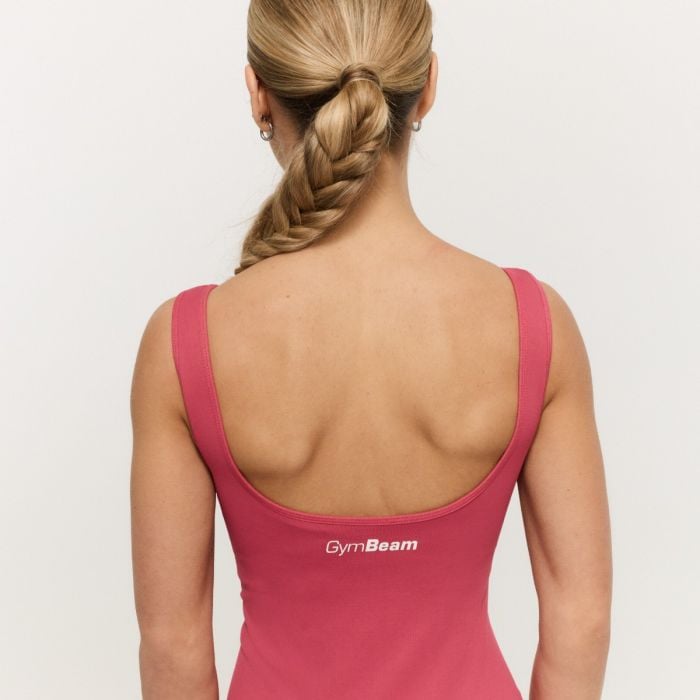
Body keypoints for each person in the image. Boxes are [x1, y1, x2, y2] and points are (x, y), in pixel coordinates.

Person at [130, 1, 612, 698]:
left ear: (258, 93)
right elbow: (581, 620)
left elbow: (173, 645)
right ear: (428, 85)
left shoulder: (184, 342)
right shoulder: (533, 325)